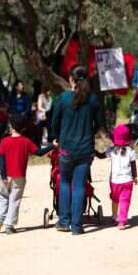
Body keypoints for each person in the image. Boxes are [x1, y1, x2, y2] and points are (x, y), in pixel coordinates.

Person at [50, 66, 105, 235]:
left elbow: (54, 123)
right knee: (79, 185)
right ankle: (77, 226)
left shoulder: (63, 99)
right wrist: (89, 133)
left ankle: (64, 221)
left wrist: (56, 138)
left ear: (71, 79)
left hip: (66, 149)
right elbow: (100, 123)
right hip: (85, 150)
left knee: (65, 183)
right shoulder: (93, 99)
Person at [0, 114, 50, 234]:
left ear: (11, 127)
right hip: (19, 177)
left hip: (5, 176)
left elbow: (1, 161)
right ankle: (9, 225)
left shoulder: (4, 141)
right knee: (14, 200)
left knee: (3, 196)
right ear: (23, 128)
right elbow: (39, 152)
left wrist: (3, 176)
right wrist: (52, 146)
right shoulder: (26, 142)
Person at [108, 124, 138, 230]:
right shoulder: (131, 151)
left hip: (114, 181)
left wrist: (93, 152)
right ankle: (121, 221)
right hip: (127, 181)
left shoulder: (111, 151)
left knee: (115, 199)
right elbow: (133, 166)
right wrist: (134, 177)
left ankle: (114, 216)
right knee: (124, 201)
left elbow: (101, 155)